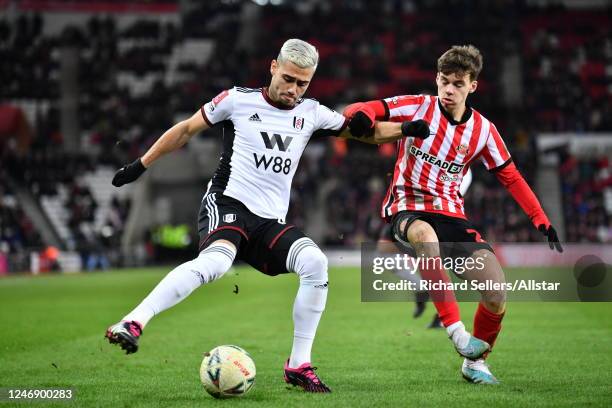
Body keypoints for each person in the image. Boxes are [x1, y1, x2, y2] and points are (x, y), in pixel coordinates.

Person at [105, 38, 429, 393]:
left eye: (302, 83)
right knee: (215, 264)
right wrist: (141, 165)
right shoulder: (236, 100)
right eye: (288, 79)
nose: (293, 89)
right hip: (227, 205)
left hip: (268, 223)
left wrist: (404, 129)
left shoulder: (312, 112)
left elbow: (365, 133)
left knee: (316, 263)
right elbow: (185, 130)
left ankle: (298, 365)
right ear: (274, 66)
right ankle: (133, 322)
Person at [345, 45, 562, 384]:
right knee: (424, 237)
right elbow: (365, 108)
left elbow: (511, 176)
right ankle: (457, 333)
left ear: (472, 86)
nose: (448, 89)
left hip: (453, 217)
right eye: (444, 81)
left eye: (458, 84)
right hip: (408, 209)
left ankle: (475, 364)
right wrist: (362, 116)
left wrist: (540, 219)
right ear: (436, 78)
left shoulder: (484, 131)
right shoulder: (418, 105)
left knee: (496, 291)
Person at [376, 168, 473, 329]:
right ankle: (424, 291)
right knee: (393, 254)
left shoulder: (457, 170)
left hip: (434, 207)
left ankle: (441, 311)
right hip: (414, 207)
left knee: (433, 259)